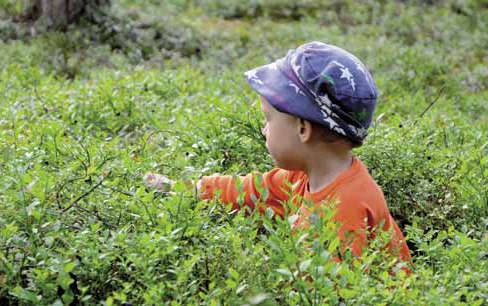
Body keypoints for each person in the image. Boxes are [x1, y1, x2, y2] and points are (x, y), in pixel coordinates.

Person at [145, 41, 411, 264]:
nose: (263, 130)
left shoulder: (345, 208)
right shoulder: (305, 177)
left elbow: (334, 293)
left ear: (303, 128)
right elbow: (250, 190)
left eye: (268, 119)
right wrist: (183, 189)